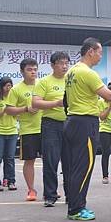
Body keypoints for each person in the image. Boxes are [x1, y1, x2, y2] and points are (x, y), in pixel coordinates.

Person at [63, 37, 111, 221]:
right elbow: (108, 95)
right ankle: (76, 208)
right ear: (90, 51)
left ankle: (74, 205)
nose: (99, 57)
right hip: (85, 122)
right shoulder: (88, 73)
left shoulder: (71, 72)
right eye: (99, 53)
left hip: (72, 120)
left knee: (75, 166)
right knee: (84, 166)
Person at [32, 51, 70, 207]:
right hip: (50, 125)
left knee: (70, 162)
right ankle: (50, 195)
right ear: (53, 65)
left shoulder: (71, 81)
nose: (65, 66)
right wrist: (55, 103)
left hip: (70, 124)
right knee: (50, 161)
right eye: (61, 63)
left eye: (67, 63)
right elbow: (35, 103)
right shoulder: (44, 82)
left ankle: (71, 194)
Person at [5, 58, 42, 201]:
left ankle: (51, 190)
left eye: (35, 69)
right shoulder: (16, 89)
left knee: (51, 160)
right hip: (28, 130)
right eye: (29, 69)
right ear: (22, 72)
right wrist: (26, 108)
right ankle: (31, 190)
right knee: (29, 160)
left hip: (46, 128)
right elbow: (9, 110)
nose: (33, 72)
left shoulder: (42, 84)